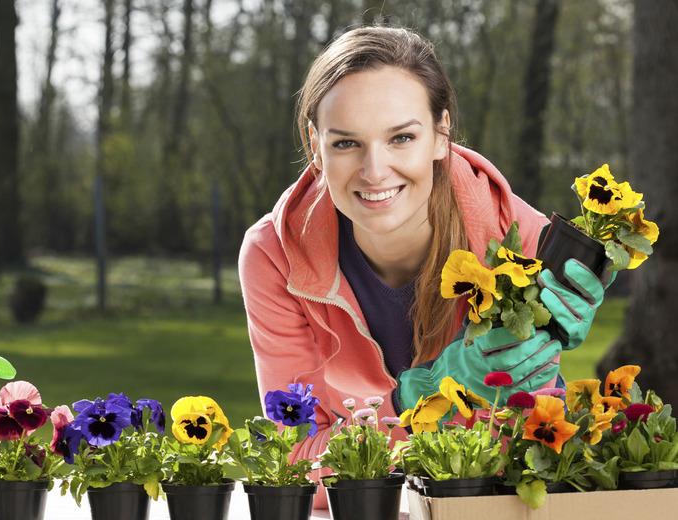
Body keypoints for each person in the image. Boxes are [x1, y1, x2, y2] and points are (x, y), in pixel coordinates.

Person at [238, 25, 607, 509]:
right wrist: (424, 397)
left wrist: (550, 336)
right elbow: (292, 468)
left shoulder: (516, 239)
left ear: (440, 134)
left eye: (402, 138)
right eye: (346, 143)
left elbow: (520, 449)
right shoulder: (275, 255)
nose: (374, 171)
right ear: (315, 146)